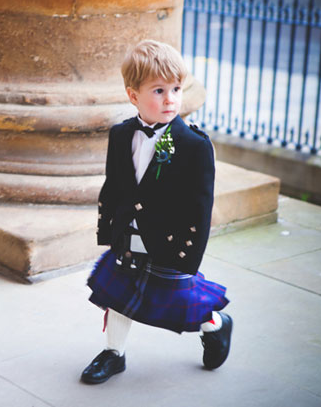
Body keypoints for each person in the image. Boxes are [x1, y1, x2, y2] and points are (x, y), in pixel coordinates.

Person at [81, 39, 232, 385]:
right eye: (159, 90)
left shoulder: (194, 145)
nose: (170, 99)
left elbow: (200, 206)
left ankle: (216, 325)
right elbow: (115, 186)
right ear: (133, 96)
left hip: (168, 239)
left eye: (176, 89)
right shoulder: (121, 135)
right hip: (129, 235)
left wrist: (187, 254)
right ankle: (113, 353)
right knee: (117, 294)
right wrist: (110, 229)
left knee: (179, 303)